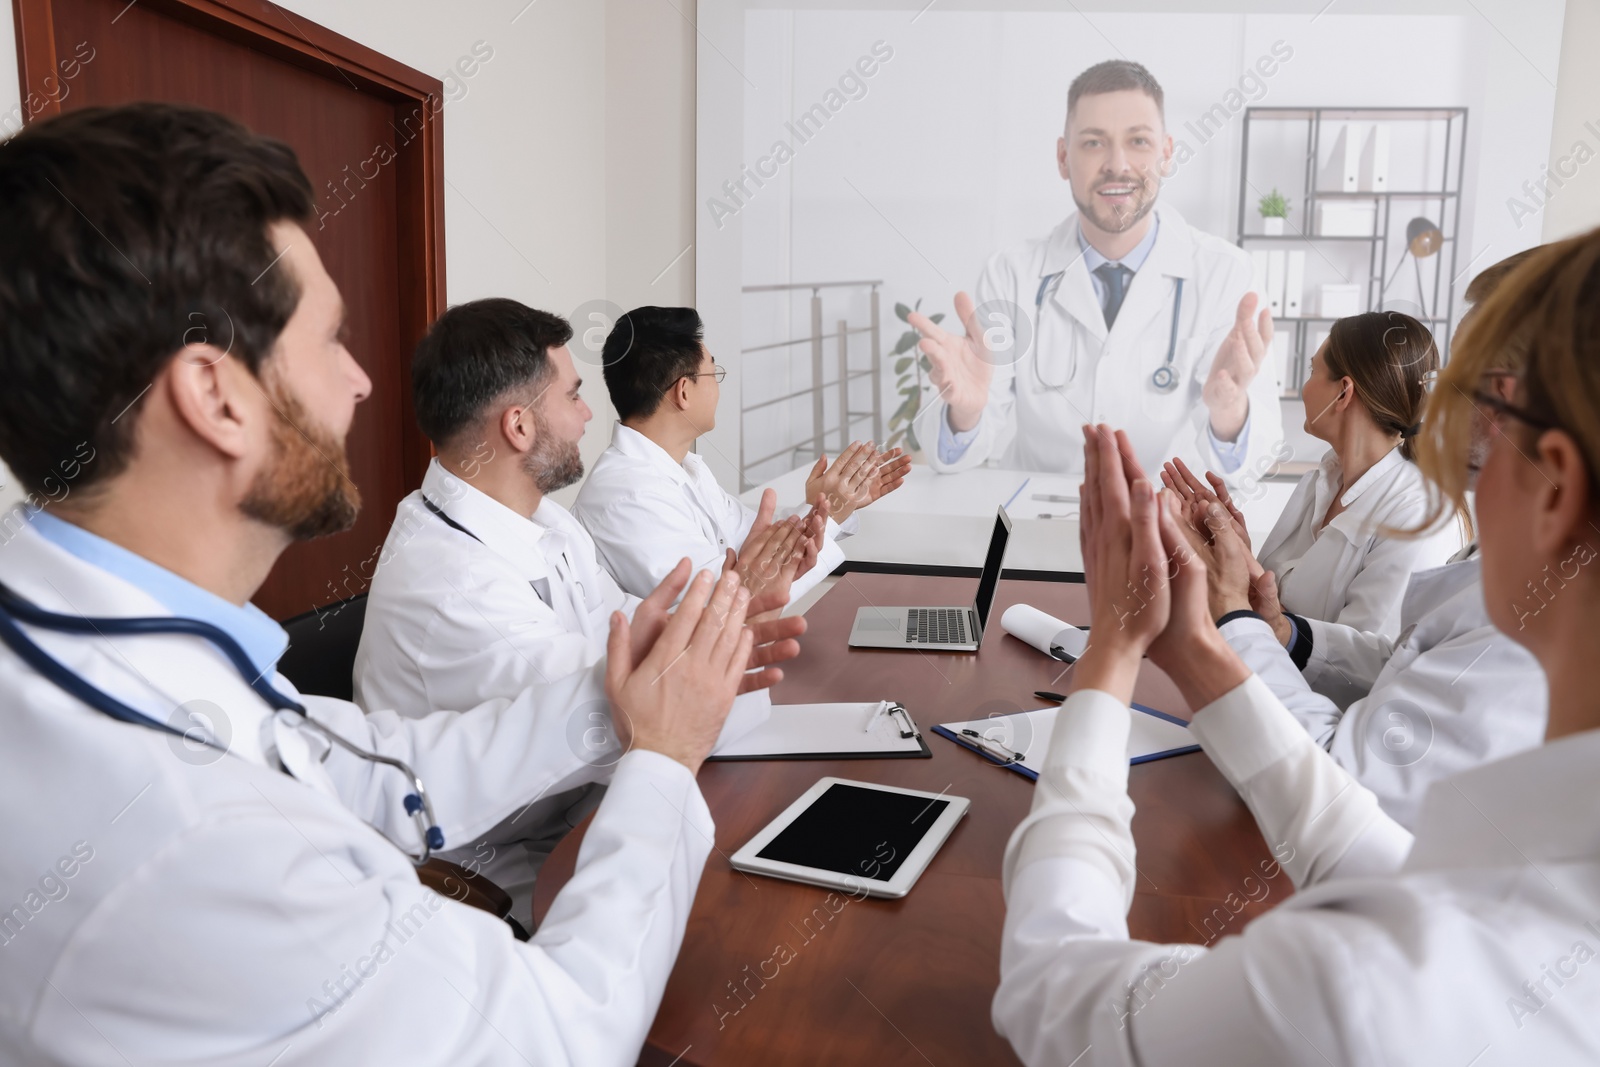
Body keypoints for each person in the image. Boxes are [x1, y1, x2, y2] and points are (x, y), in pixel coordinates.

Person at [0, 102, 776, 1065]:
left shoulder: (109, 632)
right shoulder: (195, 840)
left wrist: (616, 699)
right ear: (214, 396)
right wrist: (661, 759)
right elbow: (561, 1036)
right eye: (329, 341)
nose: (363, 383)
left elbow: (362, 764)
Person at [994, 233, 1600, 1064]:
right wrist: (1204, 642)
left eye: (1475, 401)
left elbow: (1052, 997)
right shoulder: (1535, 880)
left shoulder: (1358, 990)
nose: (1456, 451)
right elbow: (1383, 852)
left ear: (1556, 486)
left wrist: (1111, 653)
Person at [353, 298, 807, 909]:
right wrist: (723, 615)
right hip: (491, 870)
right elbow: (613, 708)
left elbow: (624, 630)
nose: (590, 414)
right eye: (572, 397)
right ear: (518, 426)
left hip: (574, 808)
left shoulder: (547, 524)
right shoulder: (449, 581)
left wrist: (720, 614)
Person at [1155, 255, 1546, 829]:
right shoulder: (1328, 478)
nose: (1432, 402)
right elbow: (1401, 669)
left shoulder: (1506, 588)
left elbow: (1346, 785)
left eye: (1457, 380)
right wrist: (1278, 626)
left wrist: (1229, 615)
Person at [907, 59, 1284, 482]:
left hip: (1169, 530)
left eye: (1138, 141)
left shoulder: (1225, 274)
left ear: (1166, 153)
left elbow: (1255, 460)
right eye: (1093, 143)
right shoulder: (1011, 274)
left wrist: (1230, 413)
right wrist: (966, 413)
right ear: (1063, 157)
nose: (1117, 164)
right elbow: (953, 458)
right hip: (1037, 527)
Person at [574, 305, 911, 603]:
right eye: (713, 372)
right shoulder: (628, 496)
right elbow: (730, 602)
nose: (718, 385)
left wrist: (828, 505)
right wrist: (828, 514)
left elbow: (759, 546)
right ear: (684, 392)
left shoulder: (684, 470)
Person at [1184, 311, 1462, 637]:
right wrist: (1237, 552)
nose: (1305, 387)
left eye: (1313, 370)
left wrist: (1245, 572)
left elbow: (1362, 670)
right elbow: (1268, 602)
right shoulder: (1321, 483)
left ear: (1343, 393)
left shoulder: (1416, 515)